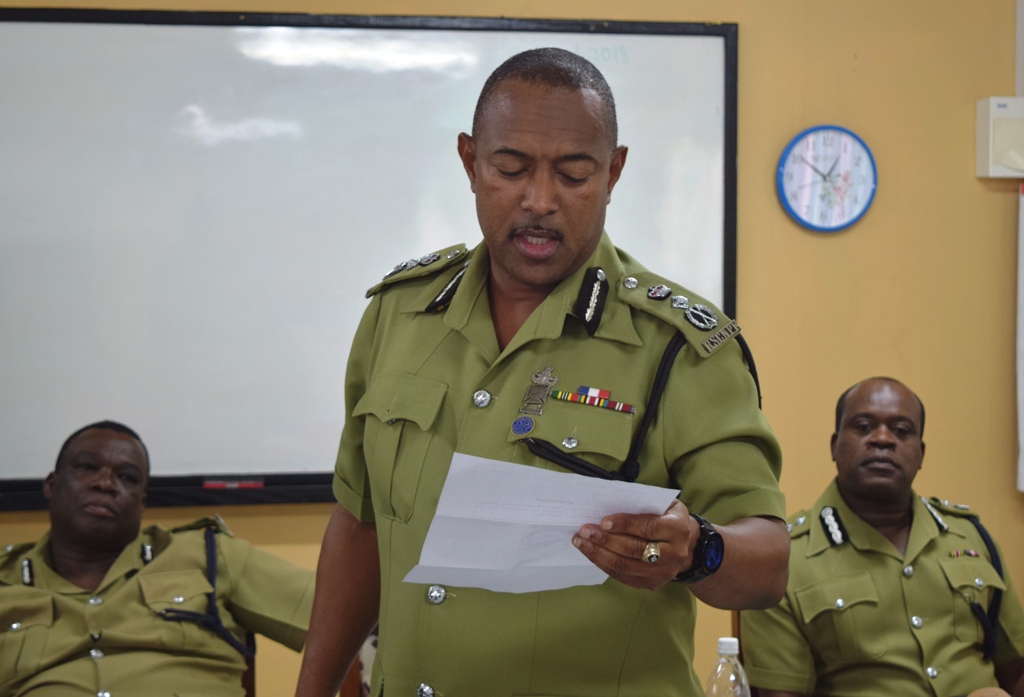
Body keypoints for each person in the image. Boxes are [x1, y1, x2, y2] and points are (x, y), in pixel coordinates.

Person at [296, 48, 789, 697]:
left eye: (574, 174)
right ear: (471, 162)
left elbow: (769, 563)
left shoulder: (678, 346)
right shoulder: (400, 314)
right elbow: (361, 523)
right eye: (511, 168)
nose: (540, 200)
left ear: (614, 172)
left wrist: (699, 549)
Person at [740, 377, 1024, 697]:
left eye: (902, 430)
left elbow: (1016, 669)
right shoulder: (782, 560)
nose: (883, 439)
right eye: (863, 427)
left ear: (921, 453)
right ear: (834, 445)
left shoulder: (972, 538)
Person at [0, 420, 315, 697]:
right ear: (52, 485)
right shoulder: (5, 580)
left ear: (142, 502)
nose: (105, 483)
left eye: (127, 477)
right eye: (87, 467)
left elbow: (335, 612)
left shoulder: (210, 556)